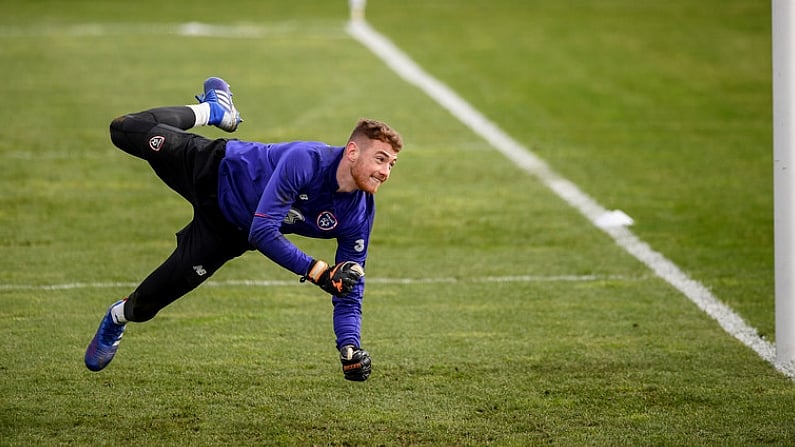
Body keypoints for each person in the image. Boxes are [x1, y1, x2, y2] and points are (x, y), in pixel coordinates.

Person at [84, 77, 403, 381]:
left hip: (227, 234)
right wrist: (318, 271)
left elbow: (349, 287)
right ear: (351, 152)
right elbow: (264, 231)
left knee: (146, 306)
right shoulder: (305, 160)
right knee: (125, 129)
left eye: (391, 164)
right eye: (380, 159)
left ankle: (116, 317)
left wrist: (349, 347)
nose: (385, 171)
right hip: (212, 168)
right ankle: (212, 110)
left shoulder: (358, 214)